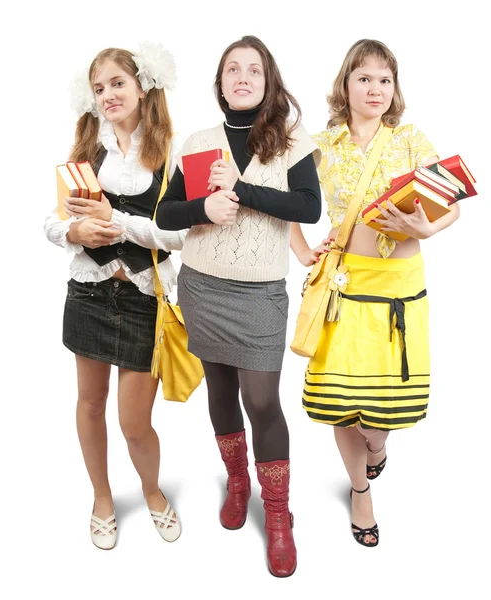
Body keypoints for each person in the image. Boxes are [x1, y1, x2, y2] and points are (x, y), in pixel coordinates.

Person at [151, 35, 321, 577]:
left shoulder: (291, 141)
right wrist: (203, 206)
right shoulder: (200, 141)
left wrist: (242, 191)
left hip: (260, 292)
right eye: (232, 69)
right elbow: (168, 216)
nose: (242, 77)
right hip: (202, 287)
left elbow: (308, 208)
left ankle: (277, 515)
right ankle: (238, 481)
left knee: (263, 401)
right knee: (221, 391)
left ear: (268, 80)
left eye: (253, 69)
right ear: (221, 82)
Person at [290, 39, 460, 547]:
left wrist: (427, 228)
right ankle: (360, 489)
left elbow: (451, 204)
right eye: (364, 77)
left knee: (381, 416)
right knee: (341, 402)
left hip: (400, 293)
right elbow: (279, 201)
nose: (376, 88)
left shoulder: (411, 139)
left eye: (385, 79)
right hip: (344, 287)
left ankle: (378, 447)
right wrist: (301, 250)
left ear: (395, 87)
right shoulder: (321, 146)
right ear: (346, 84)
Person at [44, 43, 185, 550]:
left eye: (117, 83)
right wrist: (76, 232)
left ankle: (151, 489)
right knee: (88, 403)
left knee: (134, 422)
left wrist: (116, 221)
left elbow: (180, 235)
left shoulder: (171, 151)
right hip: (89, 292)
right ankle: (102, 497)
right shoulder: (87, 151)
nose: (107, 95)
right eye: (99, 87)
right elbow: (52, 221)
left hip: (145, 297)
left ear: (142, 85)